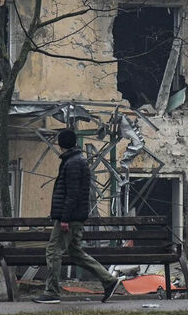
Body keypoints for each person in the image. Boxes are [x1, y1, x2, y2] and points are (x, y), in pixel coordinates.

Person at [33, 129, 122, 304]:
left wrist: (64, 218)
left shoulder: (72, 163)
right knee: (76, 253)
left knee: (53, 251)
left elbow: (72, 194)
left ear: (61, 143)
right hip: (75, 217)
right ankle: (109, 280)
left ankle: (51, 292)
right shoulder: (76, 160)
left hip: (70, 218)